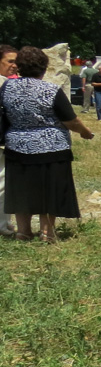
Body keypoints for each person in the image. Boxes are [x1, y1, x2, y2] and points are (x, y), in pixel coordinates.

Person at [1, 46, 94, 242]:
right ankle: (47, 232)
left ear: (19, 67)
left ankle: (23, 231)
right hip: (51, 148)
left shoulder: (7, 87)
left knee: (21, 189)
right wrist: (85, 132)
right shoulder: (51, 90)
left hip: (17, 146)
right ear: (44, 68)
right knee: (49, 190)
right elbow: (70, 120)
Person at [0, 44, 17, 236]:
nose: (14, 65)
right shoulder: (4, 83)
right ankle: (2, 225)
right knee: (2, 181)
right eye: (10, 61)